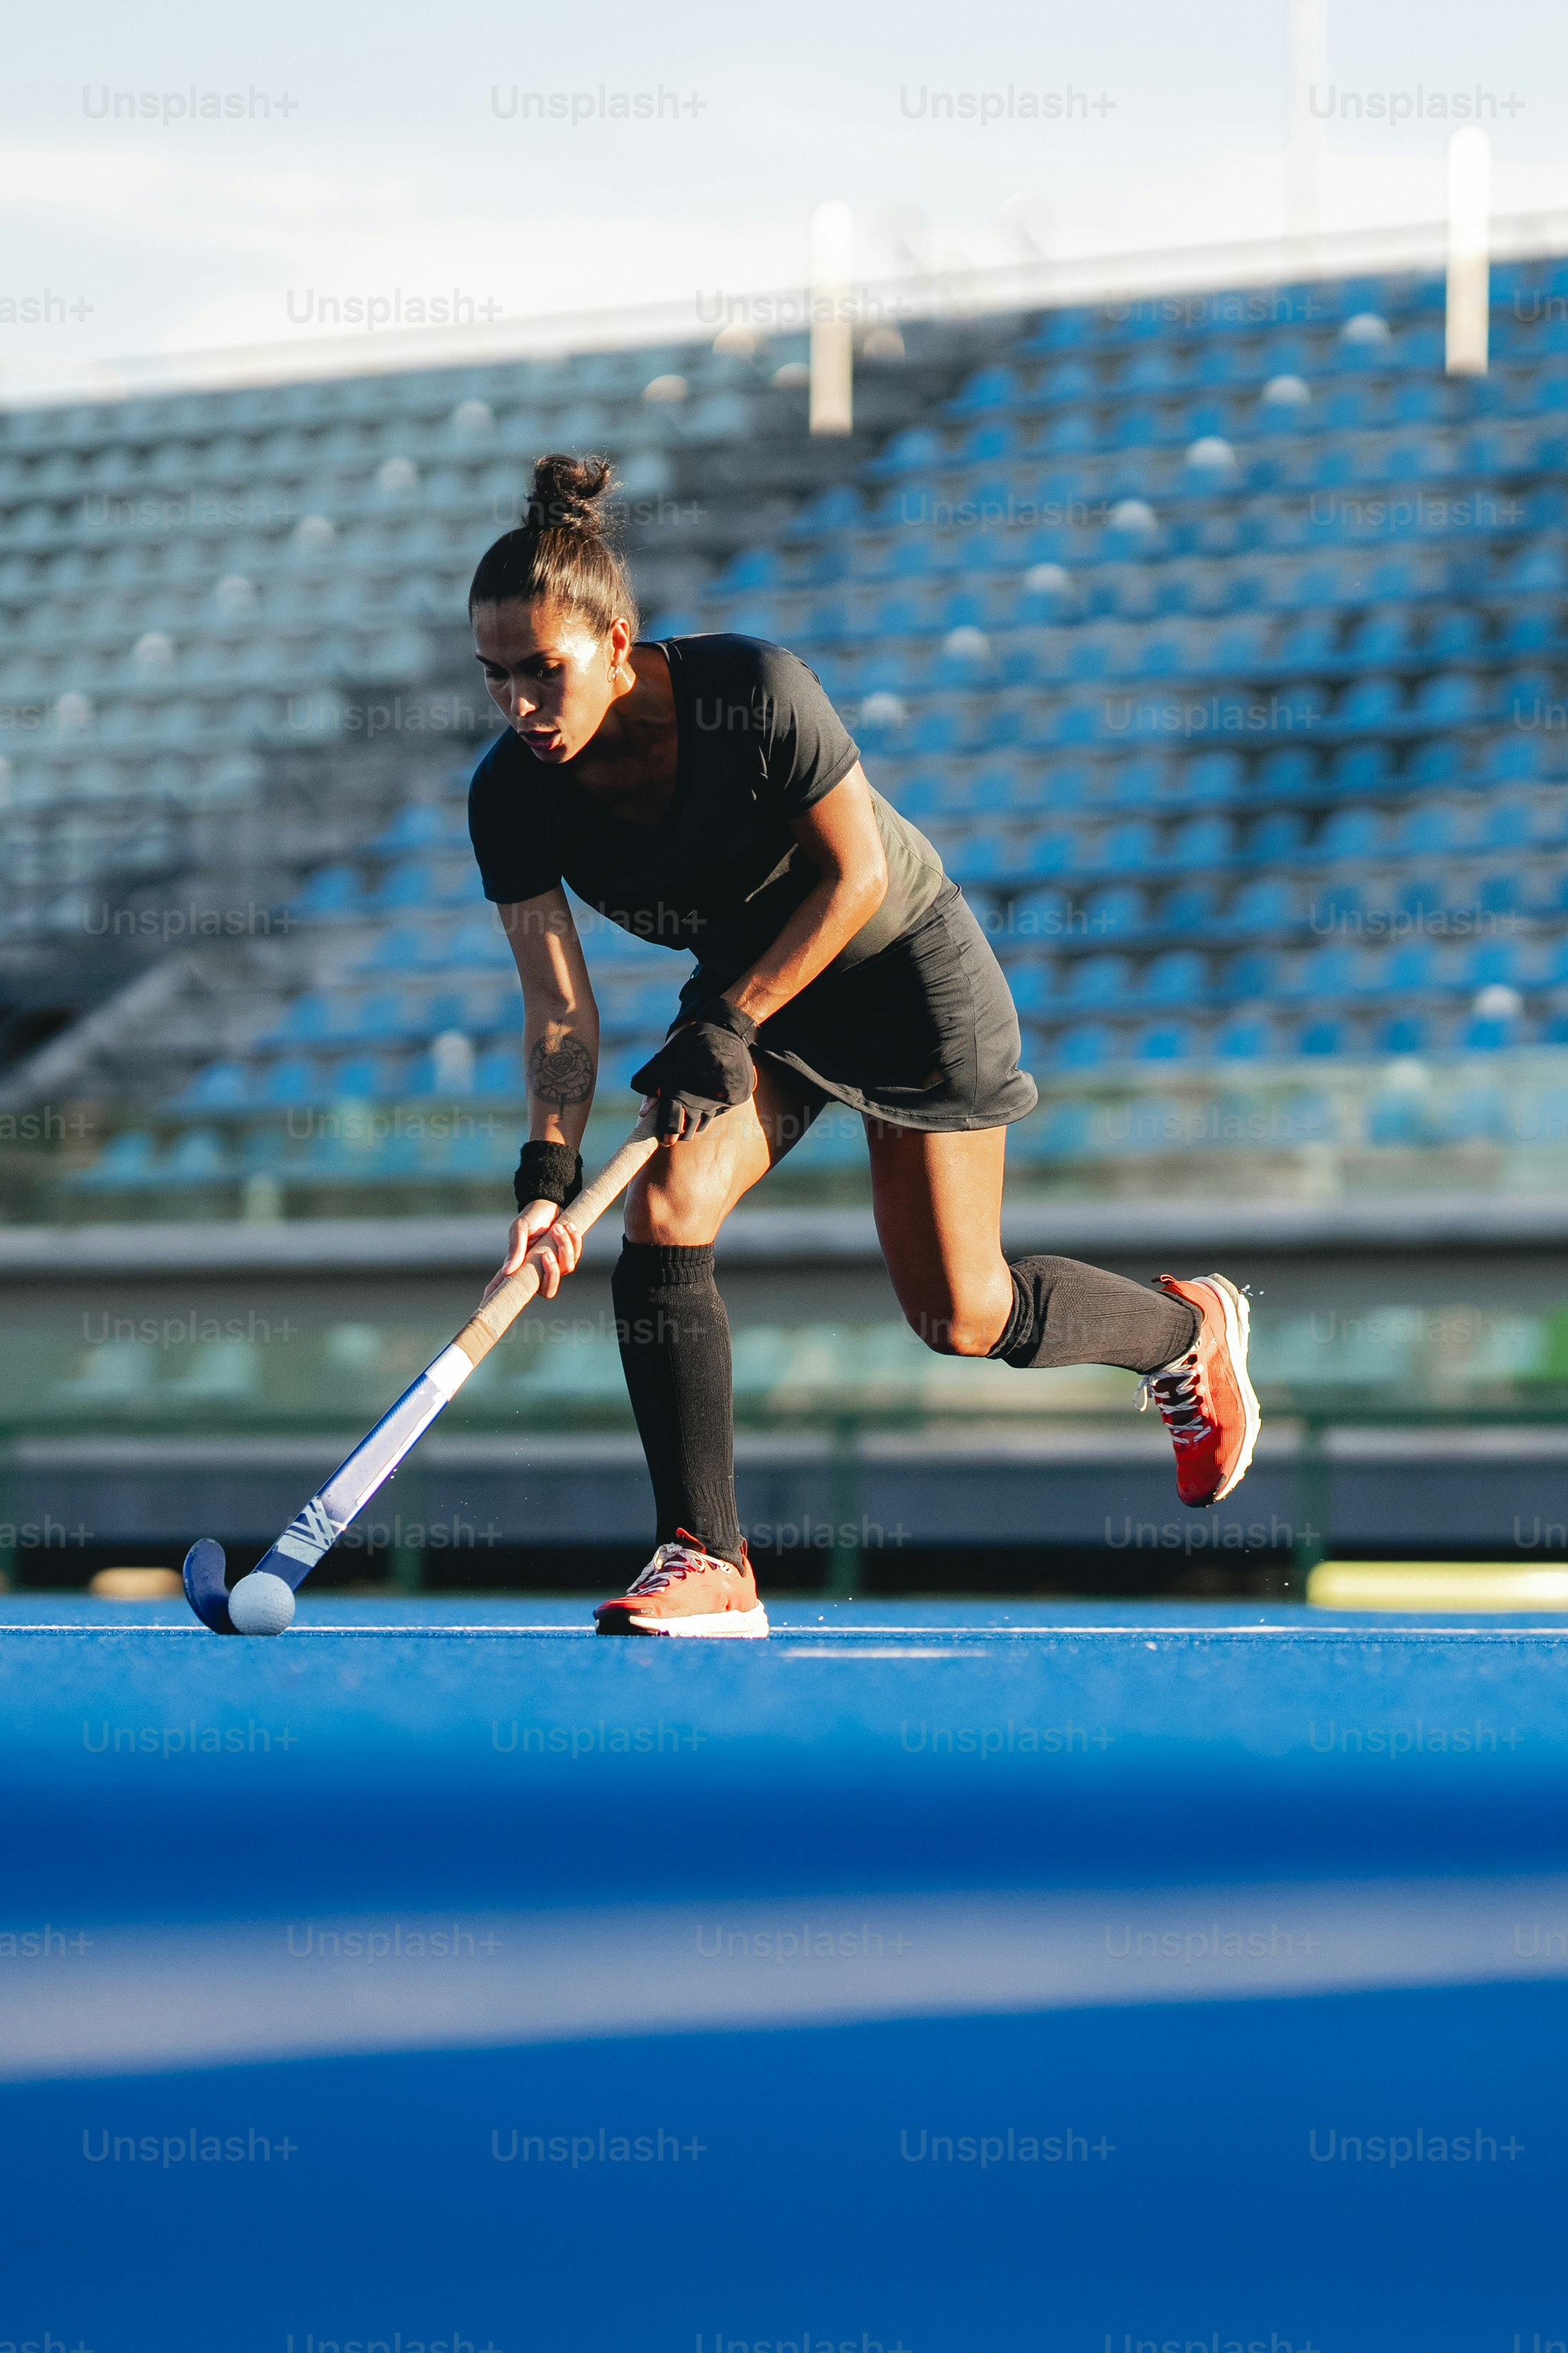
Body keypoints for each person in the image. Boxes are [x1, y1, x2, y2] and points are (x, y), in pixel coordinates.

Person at [462, 454, 1260, 1636]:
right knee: (666, 1208)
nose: (521, 705)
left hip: (904, 978)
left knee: (962, 1315)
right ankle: (707, 1557)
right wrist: (545, 1180)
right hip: (759, 1003)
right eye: (495, 677)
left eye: (544, 671)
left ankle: (1185, 1333)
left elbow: (859, 878)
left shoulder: (754, 690)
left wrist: (728, 1019)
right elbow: (561, 1012)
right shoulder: (511, 797)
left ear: (617, 644)